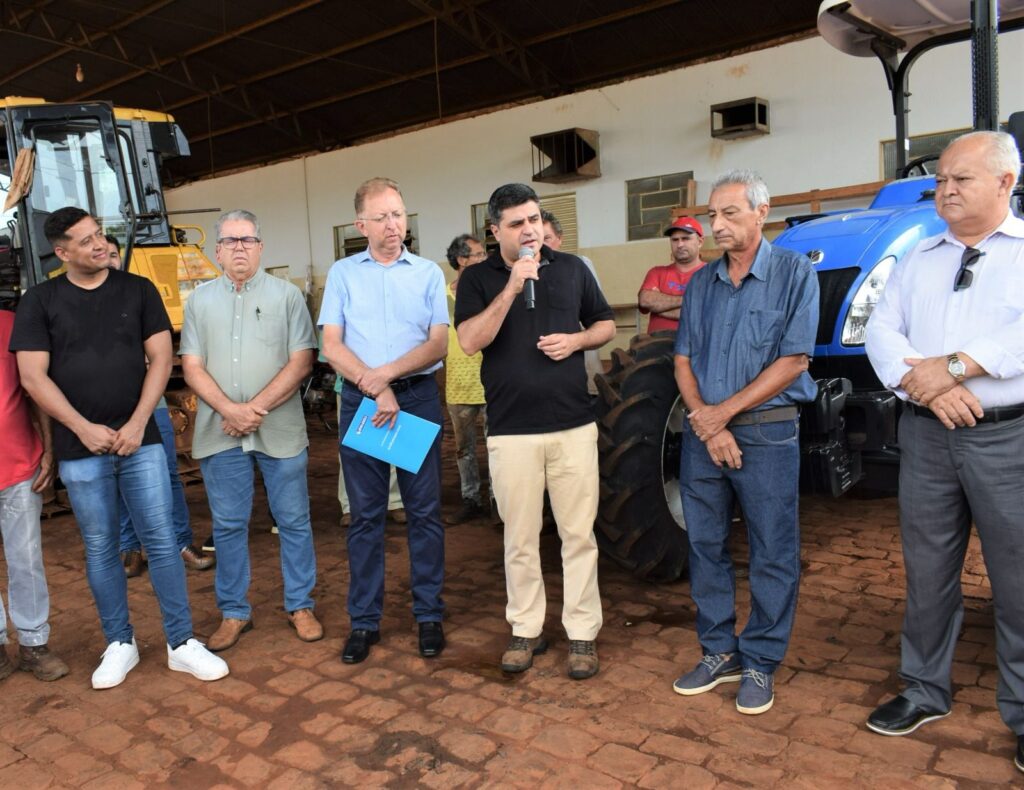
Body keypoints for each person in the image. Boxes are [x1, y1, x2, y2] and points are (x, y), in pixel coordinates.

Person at [11, 206, 228, 689]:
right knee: (100, 545)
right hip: (80, 448)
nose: (99, 244)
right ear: (62, 252)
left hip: (140, 442)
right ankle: (119, 643)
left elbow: (161, 358)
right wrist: (82, 428)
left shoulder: (138, 289)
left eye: (99, 234)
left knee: (162, 540)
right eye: (85, 240)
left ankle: (180, 643)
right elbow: (32, 377)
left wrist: (137, 422)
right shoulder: (41, 301)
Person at [864, 130, 1024, 774]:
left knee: (1017, 578)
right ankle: (924, 688)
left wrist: (956, 366)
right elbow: (881, 329)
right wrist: (927, 387)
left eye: (961, 179)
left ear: (1006, 183)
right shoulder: (917, 257)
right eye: (941, 180)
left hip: (1007, 436)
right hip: (926, 433)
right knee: (928, 571)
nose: (946, 190)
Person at [671, 170, 818, 714]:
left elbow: (793, 361)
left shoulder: (794, 273)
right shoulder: (702, 284)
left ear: (761, 212)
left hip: (767, 432)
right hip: (705, 436)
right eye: (713, 215)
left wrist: (722, 416)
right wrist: (707, 422)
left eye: (730, 213)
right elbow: (683, 359)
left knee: (772, 549)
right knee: (705, 544)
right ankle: (718, 651)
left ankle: (760, 659)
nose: (717, 225)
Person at [456, 183, 615, 680]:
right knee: (520, 538)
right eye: (517, 224)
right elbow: (469, 341)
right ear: (495, 230)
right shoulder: (477, 279)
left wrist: (577, 341)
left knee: (578, 535)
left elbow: (606, 325)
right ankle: (526, 628)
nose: (530, 231)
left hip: (573, 425)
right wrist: (511, 286)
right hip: (511, 430)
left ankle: (582, 632)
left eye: (534, 219)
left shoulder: (572, 269)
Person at [320, 177, 448, 664]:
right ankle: (364, 621)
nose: (394, 225)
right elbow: (332, 345)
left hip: (415, 400)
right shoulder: (343, 275)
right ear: (361, 225)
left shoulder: (428, 273)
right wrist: (376, 388)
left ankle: (429, 614)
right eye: (382, 217)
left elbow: (438, 344)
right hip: (363, 404)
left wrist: (386, 378)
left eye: (398, 214)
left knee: (424, 512)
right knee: (366, 515)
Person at [181, 209, 321, 652]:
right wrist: (230, 410)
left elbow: (302, 361)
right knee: (227, 525)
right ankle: (234, 611)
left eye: (247, 240)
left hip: (279, 429)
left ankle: (300, 604)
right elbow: (191, 366)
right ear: (217, 251)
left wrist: (252, 410)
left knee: (293, 520)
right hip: (219, 431)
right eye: (230, 241)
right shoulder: (199, 301)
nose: (239, 247)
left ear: (260, 247)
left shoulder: (287, 296)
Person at [105, 235, 212, 577]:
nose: (108, 260)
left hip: (152, 406)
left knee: (168, 475)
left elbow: (160, 356)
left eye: (113, 254)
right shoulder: (80, 305)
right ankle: (130, 548)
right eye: (101, 254)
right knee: (117, 478)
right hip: (108, 409)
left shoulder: (140, 296)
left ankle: (180, 542)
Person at [0, 306, 69, 682]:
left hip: (17, 464)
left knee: (26, 559)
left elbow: (34, 389)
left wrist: (48, 448)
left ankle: (33, 643)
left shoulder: (12, 325)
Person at [443, 233, 493, 524]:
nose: (484, 258)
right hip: (458, 386)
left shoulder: (491, 291)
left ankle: (499, 503)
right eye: (479, 254)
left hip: (491, 382)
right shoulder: (442, 297)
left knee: (496, 446)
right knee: (464, 449)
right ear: (461, 260)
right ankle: (470, 499)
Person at [541, 210, 604, 396]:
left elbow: (597, 313)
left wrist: (576, 340)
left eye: (547, 238)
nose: (541, 245)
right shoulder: (524, 270)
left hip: (578, 350)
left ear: (560, 238)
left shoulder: (578, 265)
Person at [638, 216, 706, 334]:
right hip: (657, 343)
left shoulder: (712, 274)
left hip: (696, 343)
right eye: (675, 240)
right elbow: (645, 301)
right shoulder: (656, 272)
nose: (680, 245)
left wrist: (658, 307)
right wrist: (690, 300)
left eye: (685, 239)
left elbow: (706, 311)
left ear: (700, 242)